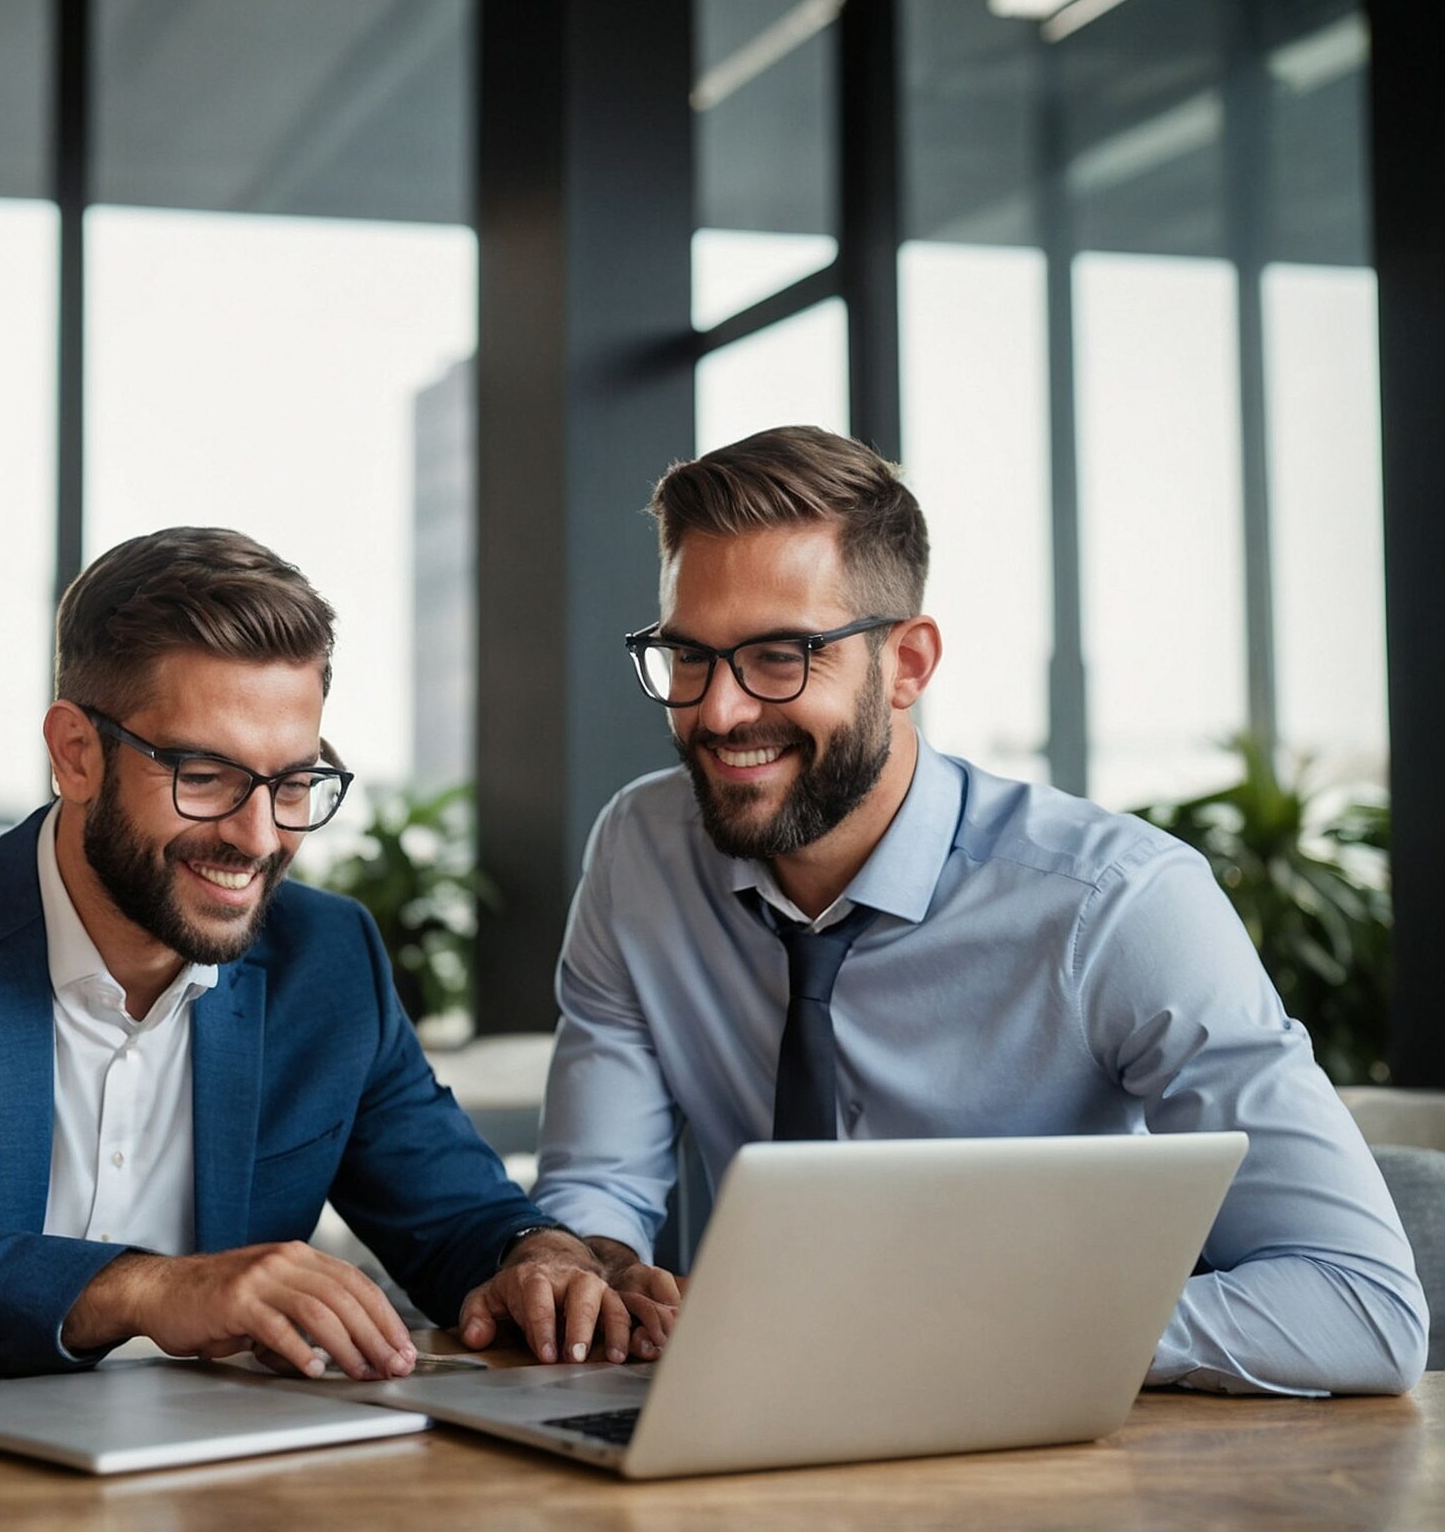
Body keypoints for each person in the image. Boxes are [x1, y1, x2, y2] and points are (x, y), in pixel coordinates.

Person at [528, 424, 1426, 1397]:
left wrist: (933, 1329)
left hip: (1039, 1435)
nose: (716, 711)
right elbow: (598, 1186)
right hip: (739, 1420)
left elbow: (1361, 1304)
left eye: (780, 655)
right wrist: (578, 1265)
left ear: (907, 663)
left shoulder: (1118, 904)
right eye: (688, 655)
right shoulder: (641, 853)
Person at [0, 527, 661, 1377]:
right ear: (74, 751)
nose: (258, 836)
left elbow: (461, 1220)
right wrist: (136, 1287)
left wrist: (540, 1260)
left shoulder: (327, 958)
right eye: (204, 774)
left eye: (293, 782)